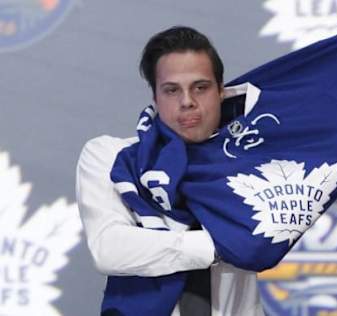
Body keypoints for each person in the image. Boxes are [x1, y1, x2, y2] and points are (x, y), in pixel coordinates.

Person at [76, 26, 264, 316]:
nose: (187, 101)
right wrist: (222, 243)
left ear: (221, 91)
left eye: (200, 87)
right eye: (172, 90)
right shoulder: (112, 156)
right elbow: (109, 247)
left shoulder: (251, 162)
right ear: (155, 97)